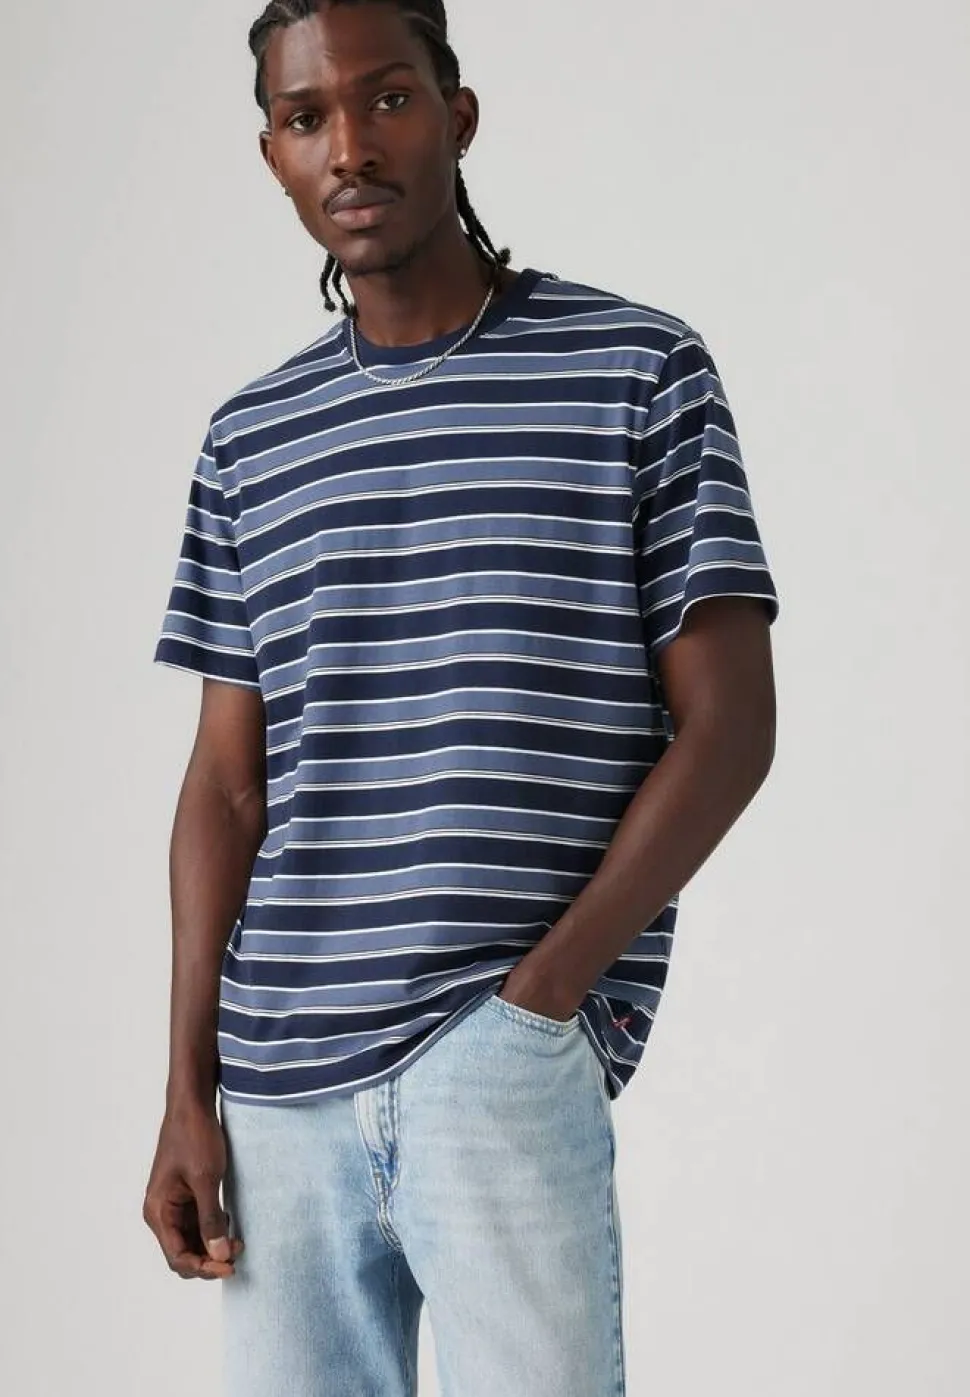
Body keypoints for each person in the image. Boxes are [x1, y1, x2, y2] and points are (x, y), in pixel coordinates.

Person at [142, 2, 780, 1392]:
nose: (349, 148)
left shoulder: (633, 370)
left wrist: (544, 996)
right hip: (276, 1085)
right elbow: (226, 786)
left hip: (494, 1050)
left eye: (387, 99)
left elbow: (731, 726)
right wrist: (188, 1090)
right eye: (306, 118)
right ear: (273, 155)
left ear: (458, 115)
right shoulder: (252, 439)